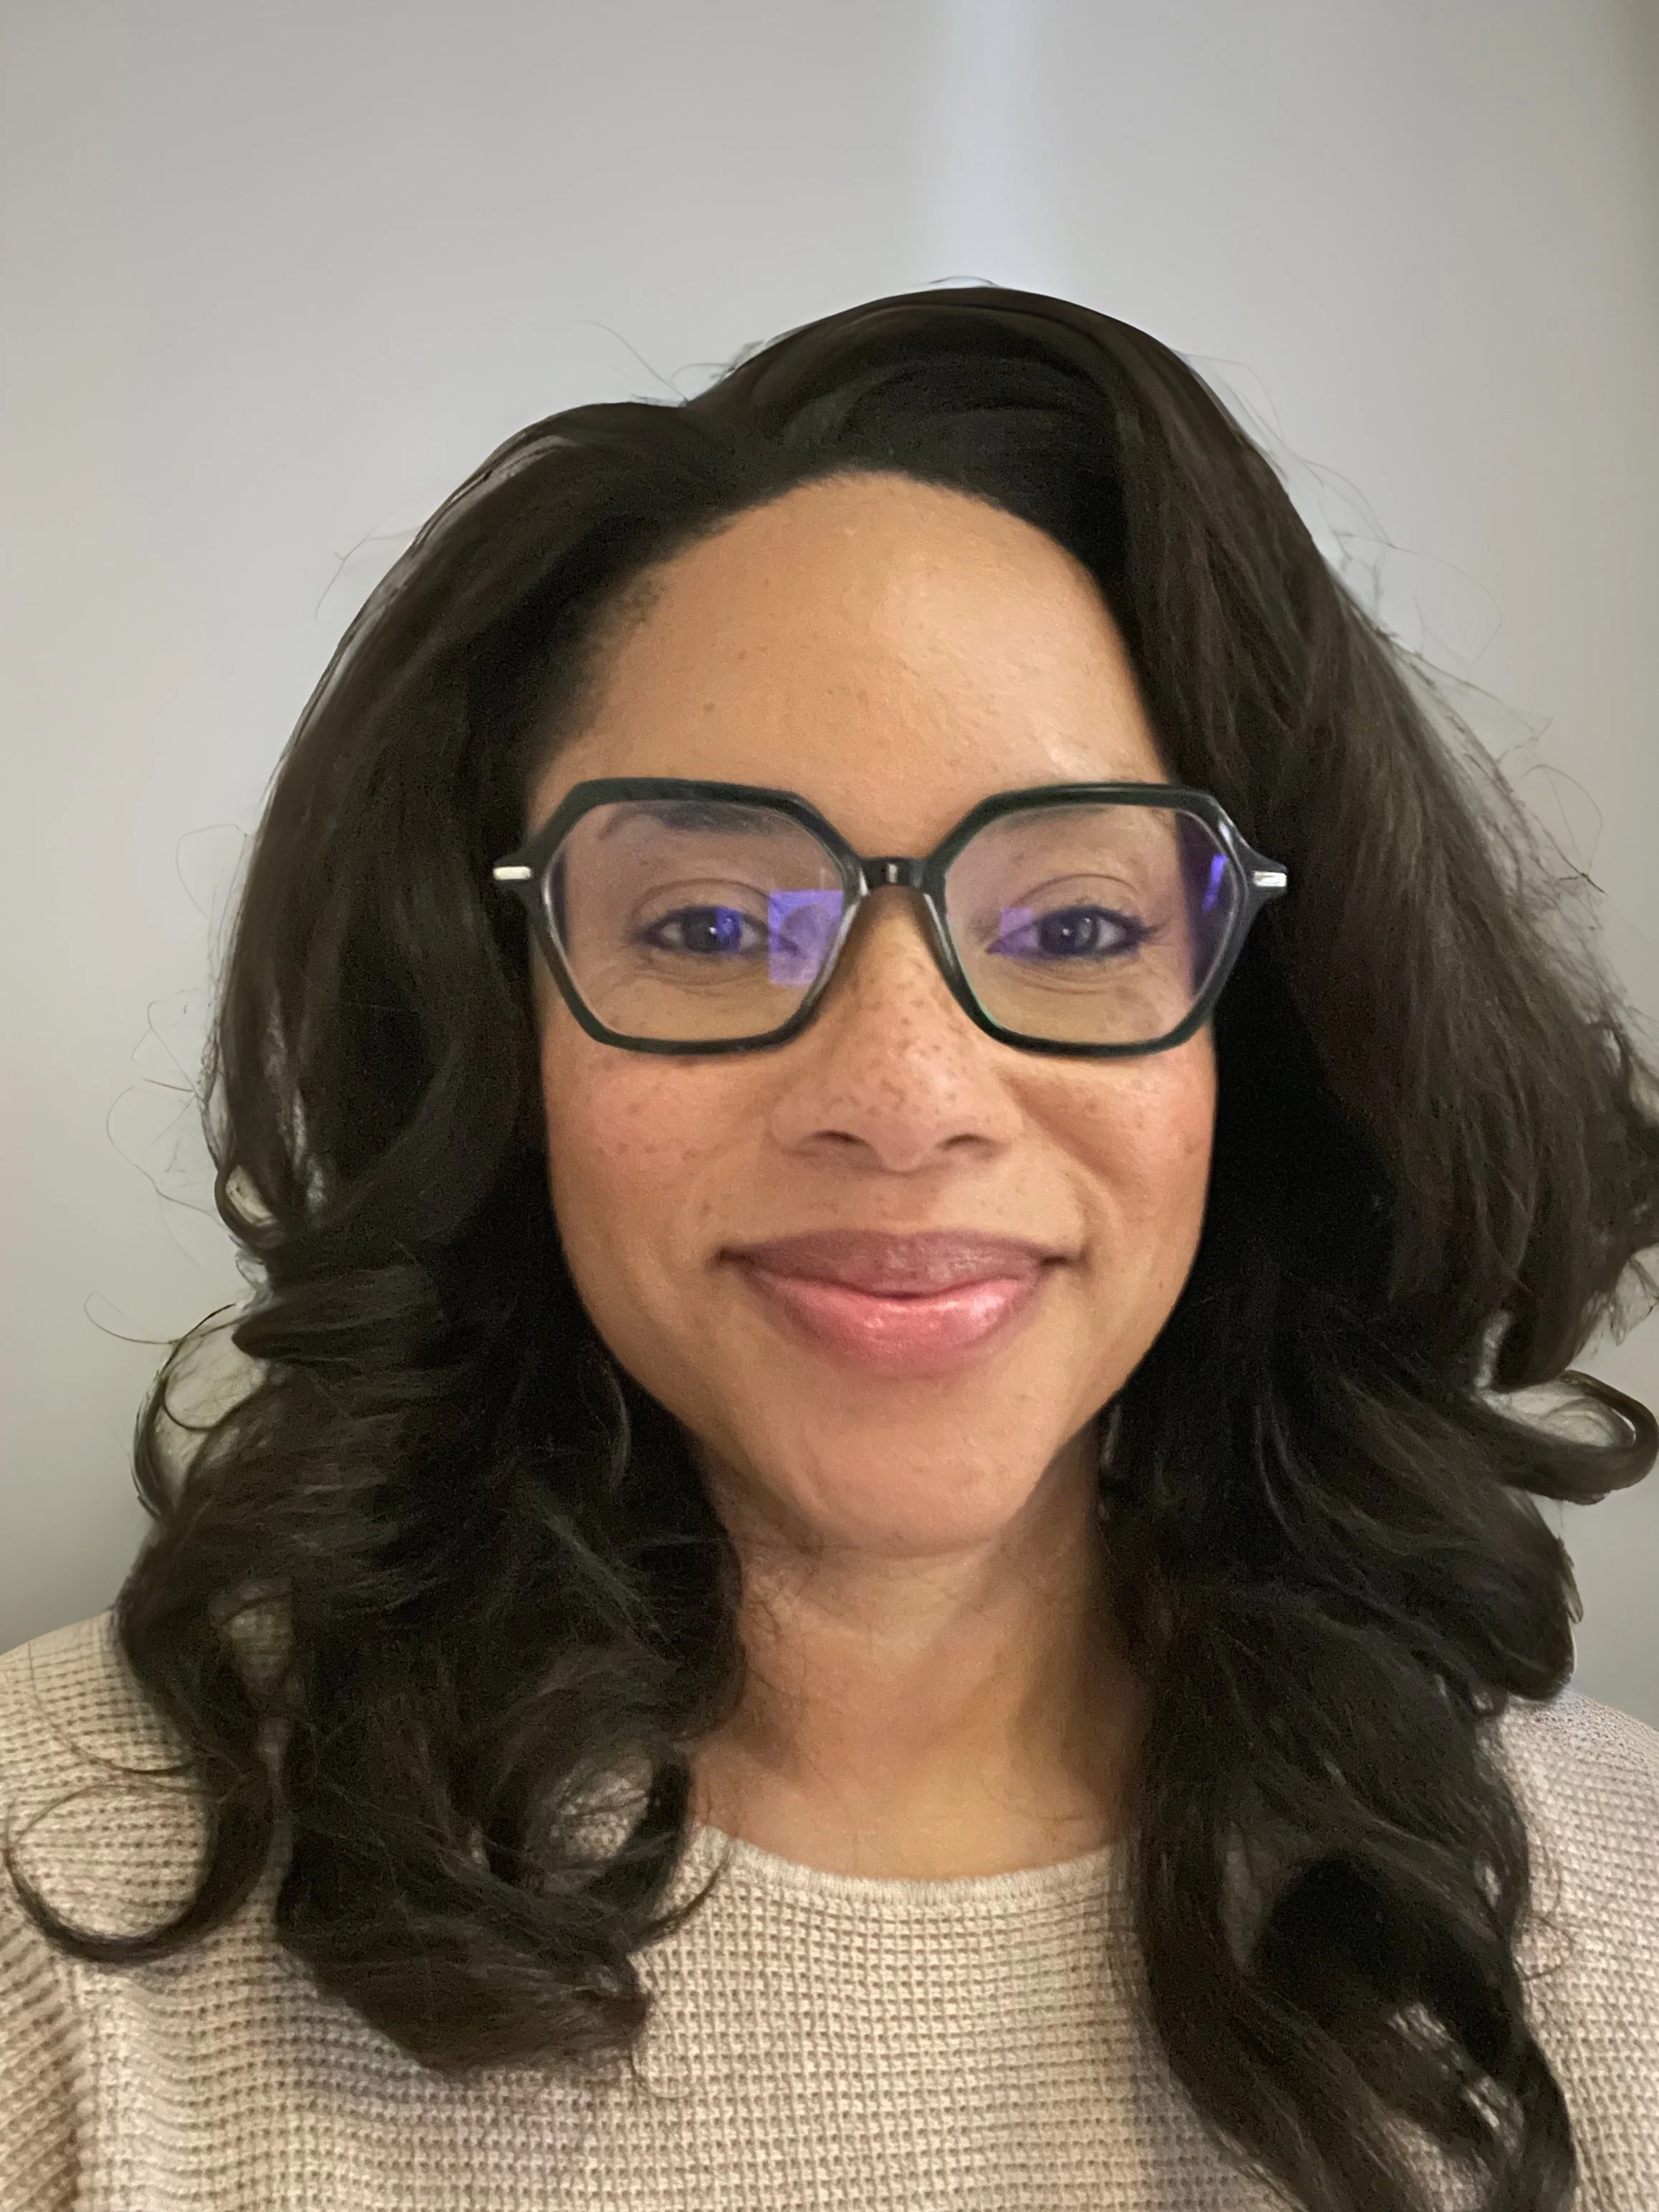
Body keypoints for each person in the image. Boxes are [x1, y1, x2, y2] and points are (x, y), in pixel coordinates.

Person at [1, 286, 1656, 2212]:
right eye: (710, 927)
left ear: (1268, 1036)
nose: (903, 1094)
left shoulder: (1615, 1911)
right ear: (488, 1019)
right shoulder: (56, 1901)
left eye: (1074, 927)